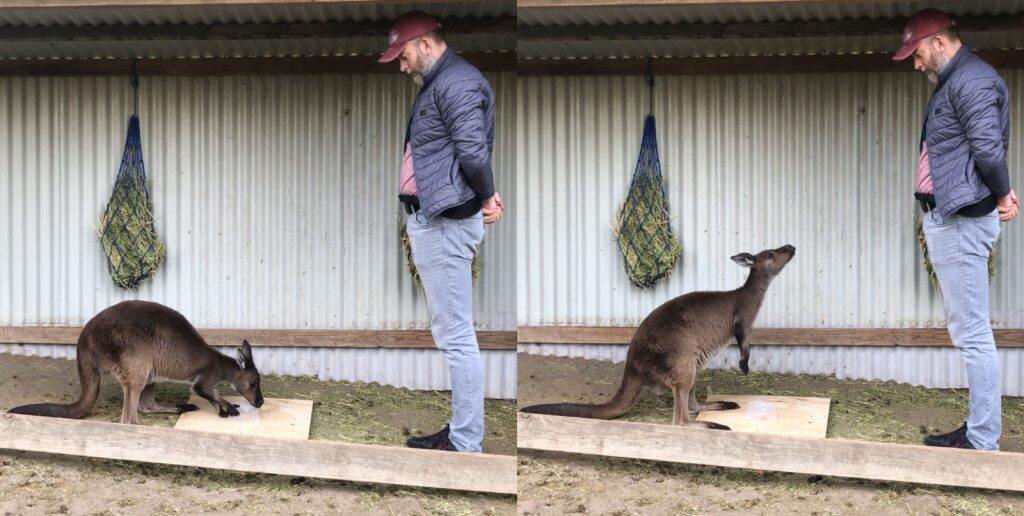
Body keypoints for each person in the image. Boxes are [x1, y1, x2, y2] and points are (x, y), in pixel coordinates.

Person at [379, 11, 505, 452]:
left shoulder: (457, 83)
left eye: (404, 55)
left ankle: (466, 441)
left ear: (427, 45)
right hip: (434, 220)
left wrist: (486, 196)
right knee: (451, 333)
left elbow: (472, 150)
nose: (401, 65)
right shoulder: (441, 83)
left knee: (456, 337)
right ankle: (459, 430)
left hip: (446, 223)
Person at [894, 8, 1018, 450]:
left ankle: (983, 440)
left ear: (940, 43)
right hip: (950, 219)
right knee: (967, 331)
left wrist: (1002, 195)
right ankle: (979, 427)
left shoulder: (973, 80)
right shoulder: (957, 80)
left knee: (973, 334)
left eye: (918, 54)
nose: (916, 63)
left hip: (962, 221)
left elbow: (987, 149)